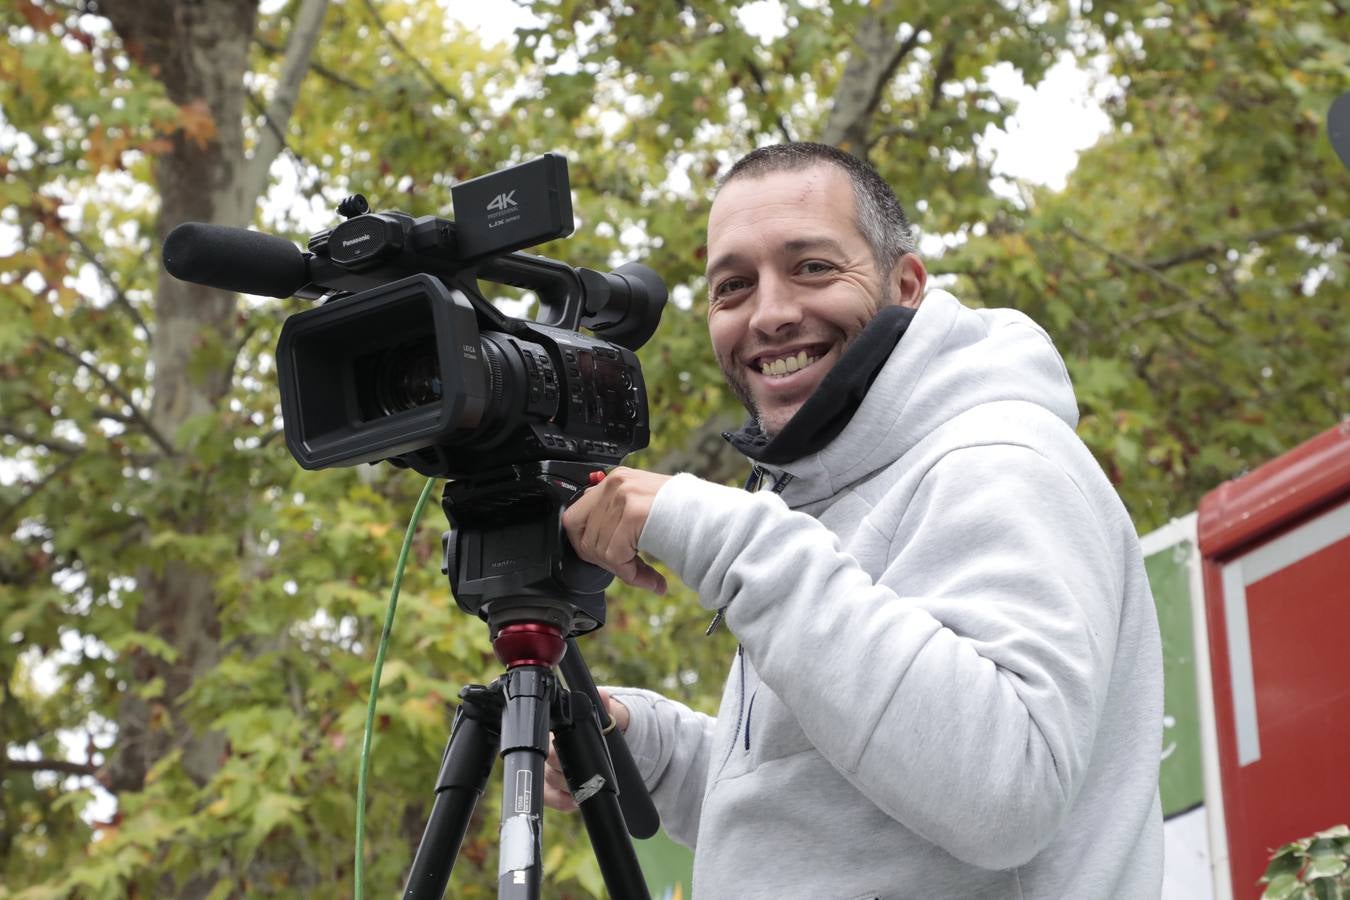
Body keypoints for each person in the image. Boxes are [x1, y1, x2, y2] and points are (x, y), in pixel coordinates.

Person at [553, 143, 1164, 899]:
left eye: (810, 267)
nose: (770, 314)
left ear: (905, 284)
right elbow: (835, 812)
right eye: (733, 286)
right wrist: (656, 750)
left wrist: (723, 533)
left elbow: (1007, 787)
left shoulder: (999, 456)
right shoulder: (821, 493)